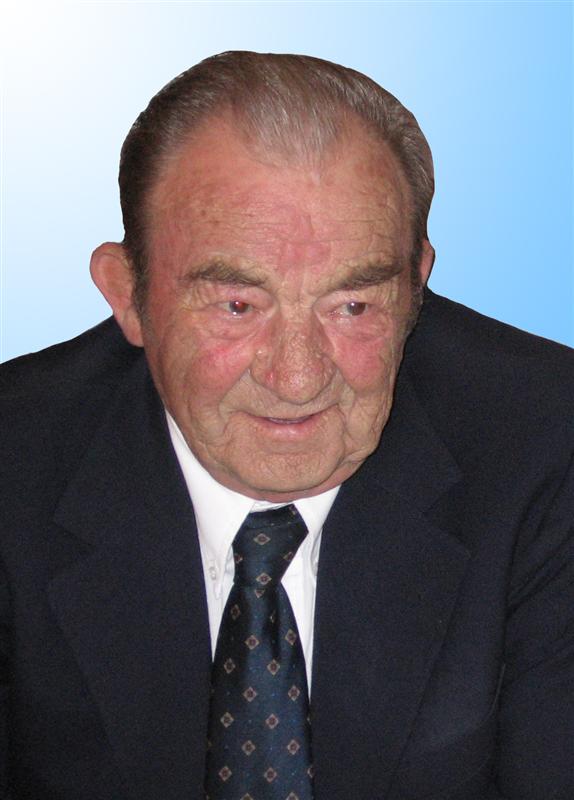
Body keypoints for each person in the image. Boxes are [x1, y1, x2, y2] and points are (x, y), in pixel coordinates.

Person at [0, 51, 572, 800]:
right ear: (128, 295)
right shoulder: (15, 460)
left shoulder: (549, 443)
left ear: (415, 284)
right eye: (238, 306)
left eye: (353, 306)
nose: (298, 378)